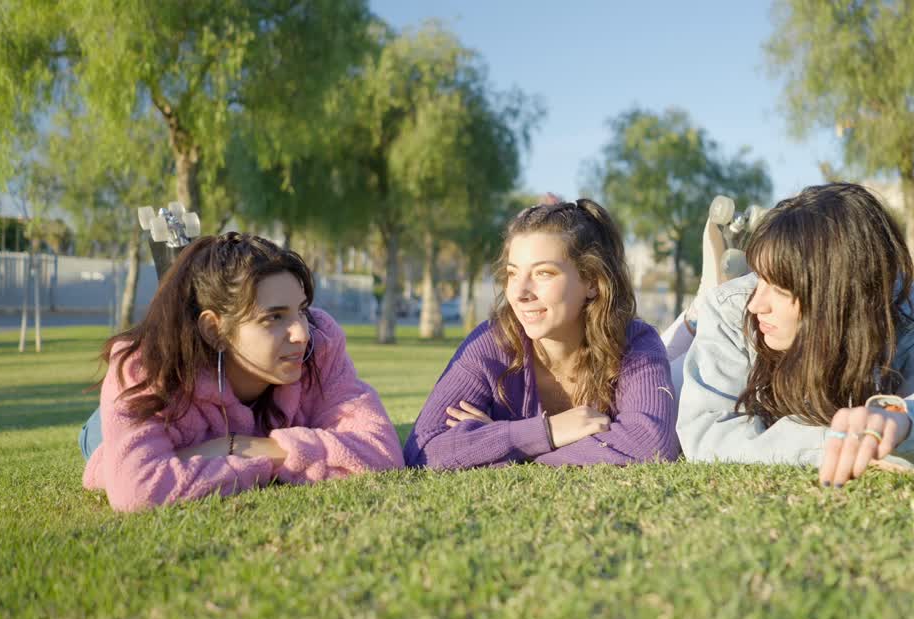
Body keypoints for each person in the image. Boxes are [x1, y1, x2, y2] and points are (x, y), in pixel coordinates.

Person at [676, 183, 914, 485]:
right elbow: (706, 436)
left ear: (840, 297)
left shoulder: (908, 317)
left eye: (781, 289)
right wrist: (836, 441)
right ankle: (690, 317)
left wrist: (904, 425)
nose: (757, 303)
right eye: (759, 279)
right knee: (664, 366)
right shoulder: (733, 308)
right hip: (687, 358)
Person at [82, 232, 404, 511]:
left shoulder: (321, 343)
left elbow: (382, 453)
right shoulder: (142, 368)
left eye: (301, 310)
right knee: (106, 452)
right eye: (274, 317)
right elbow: (139, 490)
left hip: (204, 441)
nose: (301, 333)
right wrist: (297, 460)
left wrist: (236, 447)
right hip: (124, 416)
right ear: (214, 330)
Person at [404, 198, 680, 468]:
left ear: (592, 282)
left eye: (543, 273)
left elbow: (649, 445)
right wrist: (546, 432)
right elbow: (423, 450)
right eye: (513, 274)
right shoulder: (492, 343)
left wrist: (507, 448)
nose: (520, 293)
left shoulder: (634, 342)